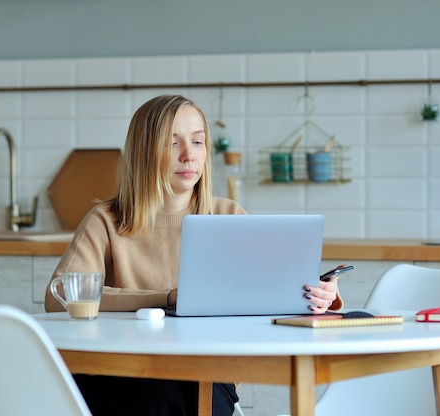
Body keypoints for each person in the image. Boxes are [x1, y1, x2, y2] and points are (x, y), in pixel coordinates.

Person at [45, 94, 343, 416]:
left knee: (185, 387)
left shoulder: (228, 215)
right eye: (172, 144)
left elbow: (267, 295)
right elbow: (60, 294)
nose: (189, 156)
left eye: (198, 142)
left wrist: (318, 294)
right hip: (125, 371)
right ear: (143, 152)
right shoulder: (106, 220)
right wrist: (167, 298)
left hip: (207, 375)